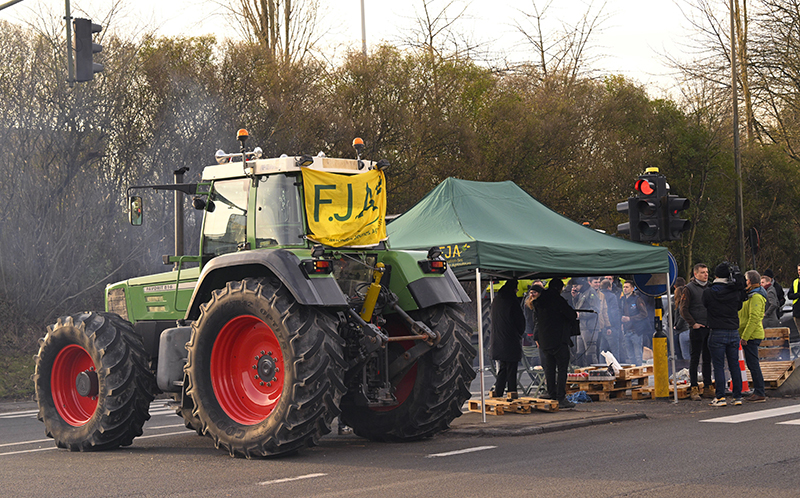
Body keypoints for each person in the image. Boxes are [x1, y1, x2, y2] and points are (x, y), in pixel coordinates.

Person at [703, 262, 747, 407]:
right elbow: (740, 304)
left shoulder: (709, 292)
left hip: (717, 331)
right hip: (733, 331)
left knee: (718, 366)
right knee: (734, 365)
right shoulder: (734, 291)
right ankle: (738, 396)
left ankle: (721, 397)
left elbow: (705, 304)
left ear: (715, 275)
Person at [531, 280, 578, 409]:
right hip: (559, 340)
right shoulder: (559, 300)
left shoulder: (539, 301)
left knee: (549, 369)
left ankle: (551, 394)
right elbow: (571, 315)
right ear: (559, 288)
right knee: (562, 369)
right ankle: (561, 397)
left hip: (544, 341)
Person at [679, 263, 714, 401]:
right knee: (694, 359)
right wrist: (693, 323)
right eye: (702, 272)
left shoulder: (711, 287)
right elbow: (683, 309)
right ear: (695, 274)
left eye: (706, 272)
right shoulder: (689, 288)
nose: (706, 274)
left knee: (707, 359)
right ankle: (694, 387)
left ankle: (707, 387)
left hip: (709, 327)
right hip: (697, 328)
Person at [489, 279, 526, 399]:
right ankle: (512, 392)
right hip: (510, 340)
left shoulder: (496, 300)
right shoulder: (512, 301)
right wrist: (520, 333)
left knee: (503, 367)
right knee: (511, 369)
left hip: (498, 340)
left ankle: (499, 391)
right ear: (514, 289)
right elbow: (520, 321)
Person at [740, 270, 767, 402]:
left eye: (745, 279)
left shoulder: (755, 296)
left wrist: (745, 336)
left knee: (753, 364)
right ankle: (758, 390)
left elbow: (754, 318)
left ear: (749, 281)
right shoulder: (750, 294)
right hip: (749, 334)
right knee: (752, 363)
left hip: (752, 335)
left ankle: (760, 391)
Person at [573, 276, 612, 366]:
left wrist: (581, 315)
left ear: (581, 284)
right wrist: (574, 298)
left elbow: (595, 310)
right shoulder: (582, 293)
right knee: (580, 353)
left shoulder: (591, 293)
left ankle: (594, 371)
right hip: (582, 327)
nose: (575, 288)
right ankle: (582, 371)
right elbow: (579, 307)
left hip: (589, 328)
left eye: (576, 286)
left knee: (590, 353)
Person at [619, 281, 648, 365]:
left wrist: (630, 319)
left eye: (627, 287)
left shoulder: (637, 299)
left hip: (636, 331)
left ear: (632, 288)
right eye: (624, 287)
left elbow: (644, 314)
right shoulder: (622, 300)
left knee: (638, 356)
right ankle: (633, 375)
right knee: (630, 356)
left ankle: (639, 375)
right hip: (626, 331)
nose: (625, 289)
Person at [600, 278, 623, 361]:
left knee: (602, 351)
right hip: (611, 326)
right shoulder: (612, 296)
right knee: (615, 351)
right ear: (609, 287)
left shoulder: (598, 295)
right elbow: (614, 312)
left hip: (601, 326)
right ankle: (616, 369)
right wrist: (617, 325)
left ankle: (602, 368)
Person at [671, 277, 690, 360]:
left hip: (683, 330)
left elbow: (681, 316)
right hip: (690, 329)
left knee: (685, 354)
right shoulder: (689, 301)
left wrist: (676, 326)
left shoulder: (678, 304)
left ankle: (688, 370)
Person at [786, 264, 800, 335]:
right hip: (797, 312)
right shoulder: (795, 282)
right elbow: (789, 295)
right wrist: (798, 295)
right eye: (798, 270)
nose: (799, 272)